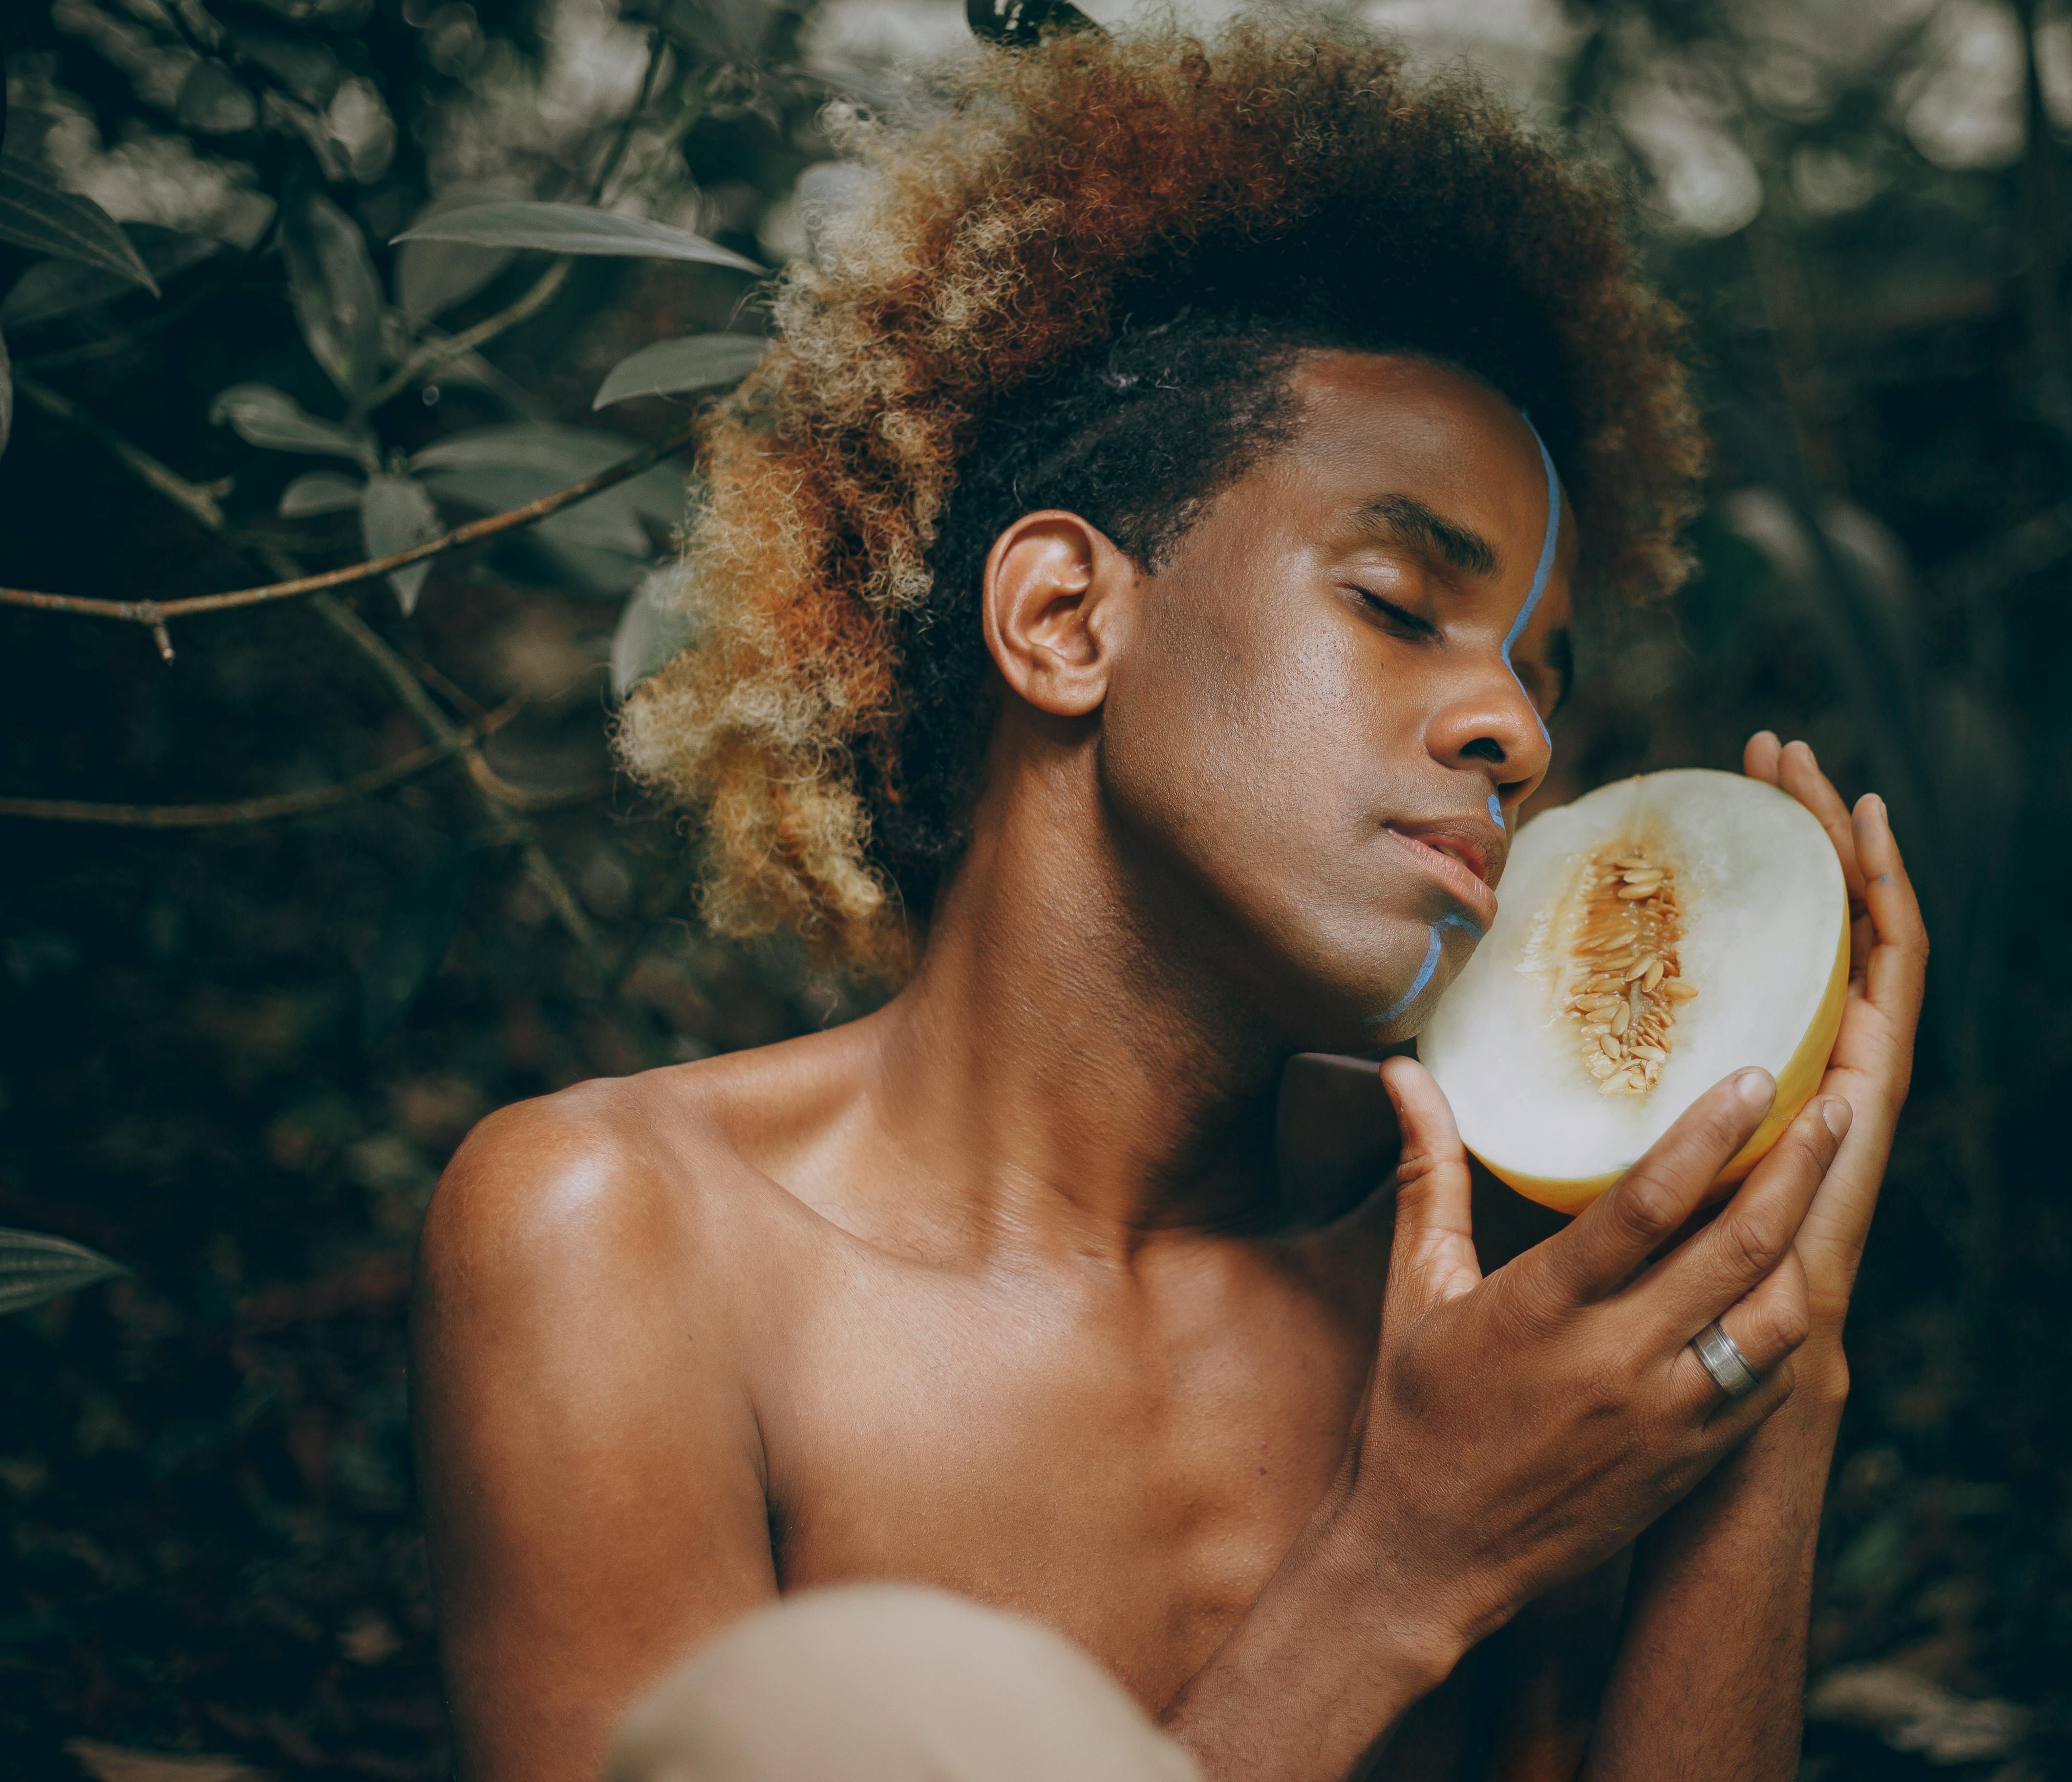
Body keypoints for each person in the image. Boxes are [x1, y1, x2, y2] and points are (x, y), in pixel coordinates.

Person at [412, 20, 1924, 1782]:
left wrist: (1773, 1352)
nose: (1514, 726)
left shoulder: (1477, 1268)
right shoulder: (622, 1239)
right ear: (1066, 618)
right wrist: (1404, 1562)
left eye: (1538, 670)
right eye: (1394, 598)